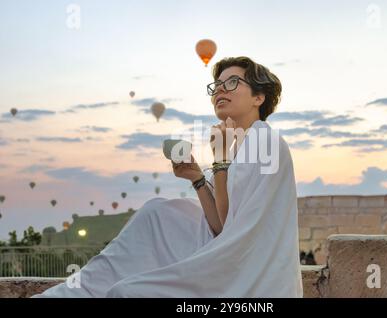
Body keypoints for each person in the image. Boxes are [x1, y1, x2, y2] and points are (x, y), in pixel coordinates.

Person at [32, 56, 303, 298]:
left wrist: (220, 159)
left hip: (249, 277)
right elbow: (222, 223)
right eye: (216, 85)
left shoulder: (264, 140)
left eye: (232, 82)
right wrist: (197, 178)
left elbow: (231, 230)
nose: (220, 89)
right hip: (236, 260)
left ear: (259, 97)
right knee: (157, 212)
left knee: (128, 291)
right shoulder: (241, 145)